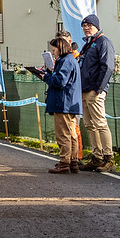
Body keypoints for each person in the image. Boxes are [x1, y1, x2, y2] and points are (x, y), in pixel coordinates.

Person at [78, 14, 116, 173]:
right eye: (84, 26)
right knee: (89, 125)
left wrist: (99, 89)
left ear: (96, 26)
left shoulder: (103, 42)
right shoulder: (88, 43)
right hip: (84, 89)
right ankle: (96, 156)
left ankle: (108, 157)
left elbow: (107, 66)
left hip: (94, 91)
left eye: (89, 25)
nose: (86, 28)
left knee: (100, 123)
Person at [40, 37, 82, 174]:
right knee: (71, 134)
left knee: (63, 134)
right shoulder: (71, 60)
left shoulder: (65, 61)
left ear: (60, 48)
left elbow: (59, 81)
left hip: (63, 102)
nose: (53, 53)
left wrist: (45, 77)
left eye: (54, 50)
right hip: (71, 102)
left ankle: (64, 162)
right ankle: (73, 161)